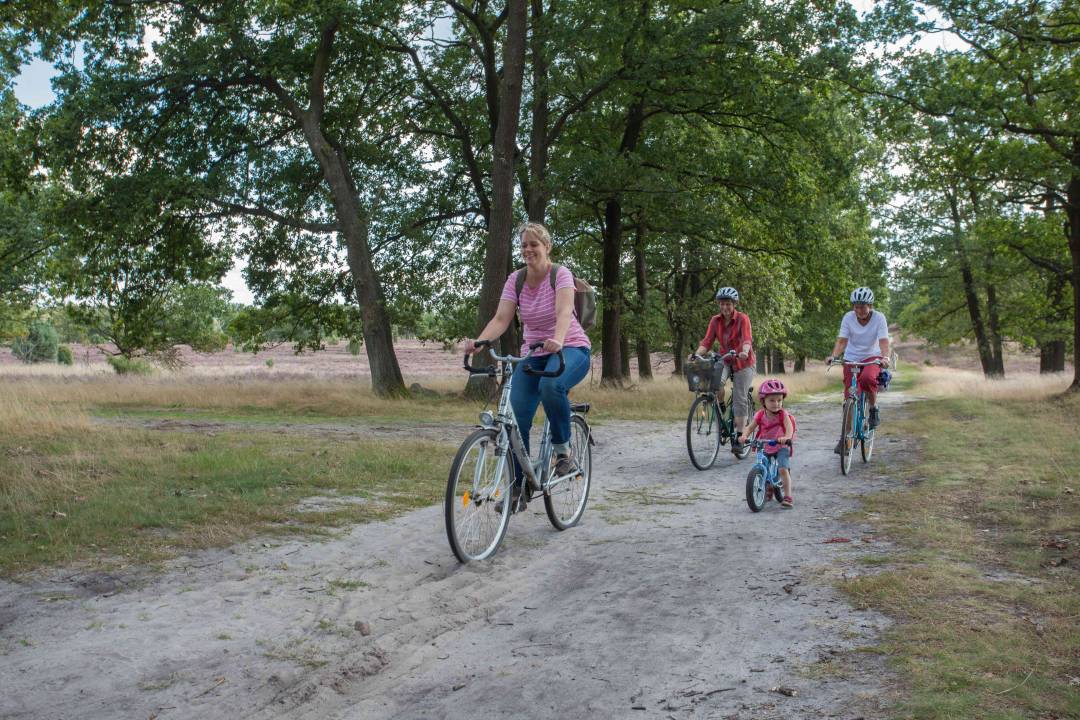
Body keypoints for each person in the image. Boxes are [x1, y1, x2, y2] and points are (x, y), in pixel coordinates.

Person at [470, 222, 592, 509]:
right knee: (515, 418)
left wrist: (558, 339)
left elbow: (564, 312)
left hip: (571, 347)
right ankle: (518, 488)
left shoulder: (560, 274)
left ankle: (563, 453)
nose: (528, 249)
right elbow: (501, 319)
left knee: (551, 385)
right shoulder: (516, 280)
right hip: (533, 354)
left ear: (546, 247)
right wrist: (480, 341)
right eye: (524, 245)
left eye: (533, 244)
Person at [692, 286, 755, 453]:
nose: (725, 307)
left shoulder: (743, 319)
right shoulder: (715, 320)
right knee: (715, 384)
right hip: (725, 358)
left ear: (734, 304)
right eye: (722, 304)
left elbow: (747, 339)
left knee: (739, 397)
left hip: (744, 362)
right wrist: (695, 355)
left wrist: (745, 351)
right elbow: (707, 342)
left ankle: (740, 438)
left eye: (728, 304)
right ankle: (720, 405)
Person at [827, 287, 891, 453]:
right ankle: (845, 439)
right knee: (849, 396)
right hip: (851, 357)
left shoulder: (879, 318)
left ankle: (873, 408)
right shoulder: (848, 317)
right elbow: (842, 341)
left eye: (862, 306)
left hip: (872, 356)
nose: (859, 310)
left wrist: (885, 357)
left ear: (870, 305)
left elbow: (884, 341)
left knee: (868, 379)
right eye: (856, 306)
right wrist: (834, 356)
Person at [739, 379, 795, 508]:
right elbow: (750, 427)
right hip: (766, 445)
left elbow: (789, 427)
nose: (776, 404)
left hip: (781, 445)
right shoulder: (760, 415)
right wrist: (744, 435)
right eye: (772, 400)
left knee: (782, 469)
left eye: (779, 400)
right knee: (764, 464)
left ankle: (787, 496)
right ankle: (768, 487)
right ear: (763, 401)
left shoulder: (783, 414)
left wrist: (786, 437)